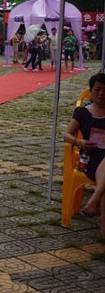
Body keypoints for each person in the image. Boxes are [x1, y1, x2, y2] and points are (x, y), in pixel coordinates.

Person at [63, 73, 105, 236]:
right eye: (97, 89)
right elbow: (66, 135)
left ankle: (95, 198)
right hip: (90, 157)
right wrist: (80, 142)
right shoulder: (82, 112)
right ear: (91, 91)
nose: (101, 93)